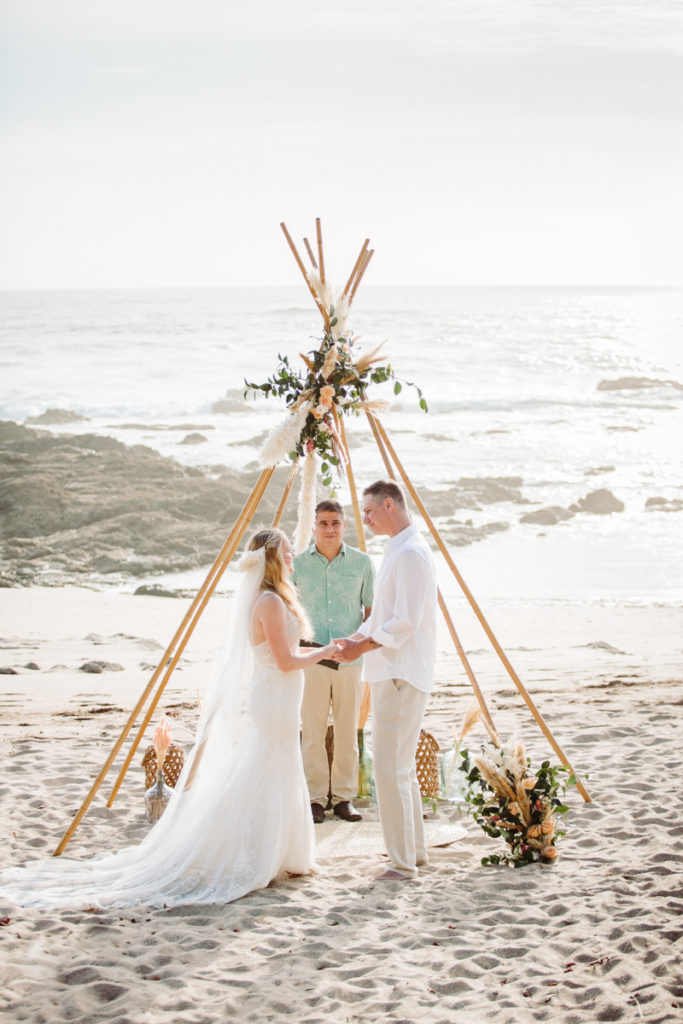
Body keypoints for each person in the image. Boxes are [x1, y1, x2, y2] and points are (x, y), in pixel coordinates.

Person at [0, 529, 339, 909]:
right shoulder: (270, 602)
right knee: (270, 767)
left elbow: (286, 655)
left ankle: (281, 850)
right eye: (288, 552)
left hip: (279, 696)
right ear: (273, 558)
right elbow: (285, 661)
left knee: (278, 766)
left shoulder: (270, 598)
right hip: (274, 697)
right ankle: (265, 852)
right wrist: (326, 652)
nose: (293, 557)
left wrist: (320, 652)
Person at [333, 481, 438, 881]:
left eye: (369, 511)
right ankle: (415, 853)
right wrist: (353, 640)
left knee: (390, 769)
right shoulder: (398, 549)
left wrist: (361, 648)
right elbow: (382, 616)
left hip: (399, 671)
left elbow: (404, 622)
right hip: (392, 669)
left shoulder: (410, 554)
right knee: (401, 768)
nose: (365, 519)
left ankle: (401, 863)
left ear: (389, 504)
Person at [292, 500, 374, 824]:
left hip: (348, 661)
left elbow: (371, 612)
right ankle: (315, 798)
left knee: (346, 731)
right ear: (314, 526)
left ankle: (343, 798)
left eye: (335, 523)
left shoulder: (362, 563)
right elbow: (289, 612)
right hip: (311, 659)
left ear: (344, 526)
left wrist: (356, 644)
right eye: (323, 523)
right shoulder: (297, 565)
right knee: (311, 731)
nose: (329, 529)